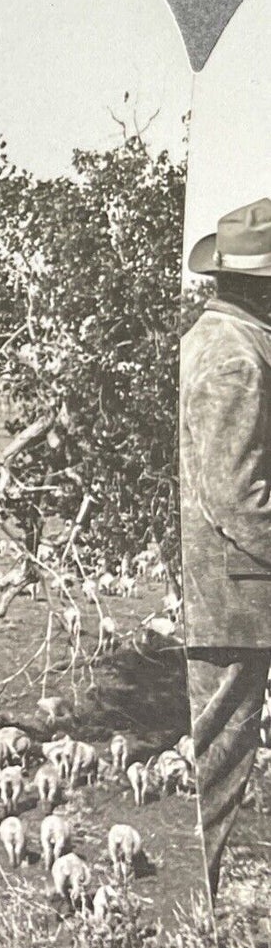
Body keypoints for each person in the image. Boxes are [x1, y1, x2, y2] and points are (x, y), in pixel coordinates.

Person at [182, 198, 271, 898]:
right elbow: (234, 493)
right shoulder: (238, 356)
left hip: (224, 596)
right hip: (233, 600)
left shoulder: (216, 339)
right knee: (213, 771)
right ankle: (192, 928)